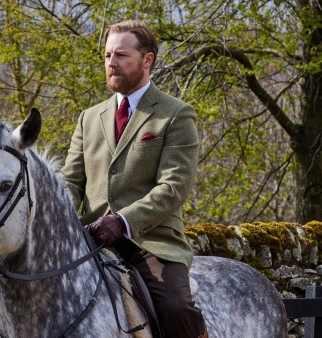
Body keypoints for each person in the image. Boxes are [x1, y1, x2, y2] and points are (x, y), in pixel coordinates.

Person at [61, 20, 207, 338]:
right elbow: (71, 182)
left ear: (147, 60)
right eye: (107, 55)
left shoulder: (176, 114)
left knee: (175, 308)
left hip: (150, 242)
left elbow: (173, 188)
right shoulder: (89, 118)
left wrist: (121, 221)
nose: (111, 63)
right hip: (90, 237)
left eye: (121, 55)